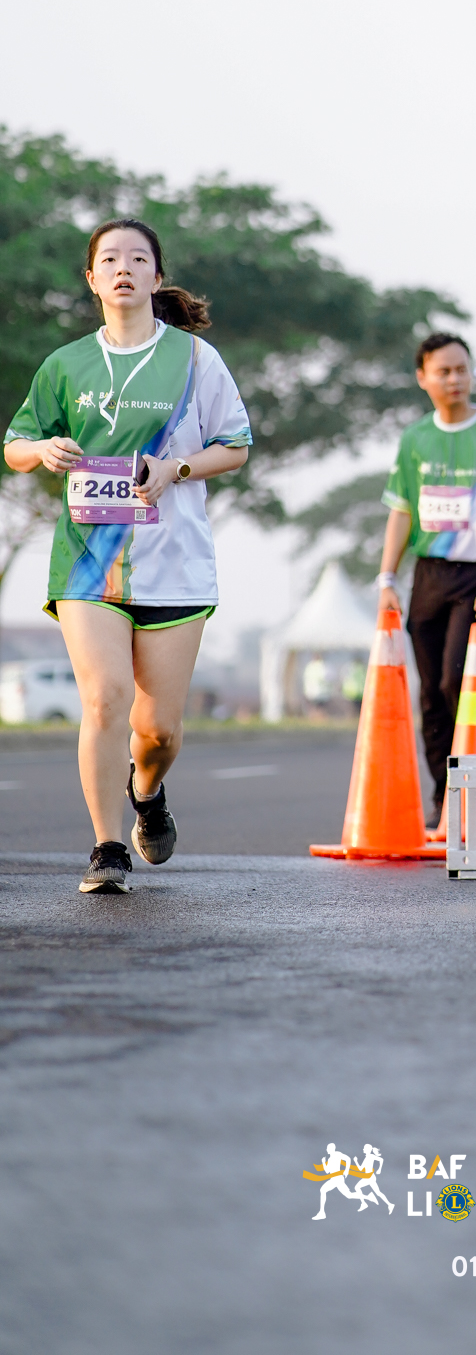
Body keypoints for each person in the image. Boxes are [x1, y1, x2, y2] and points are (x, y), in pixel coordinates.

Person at [3, 219, 252, 894]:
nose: (123, 268)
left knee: (158, 731)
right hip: (88, 563)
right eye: (109, 259)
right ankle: (107, 848)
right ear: (92, 279)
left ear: (155, 276)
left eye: (137, 258)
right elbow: (16, 445)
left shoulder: (196, 360)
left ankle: (147, 792)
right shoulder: (65, 365)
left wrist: (176, 469)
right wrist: (42, 450)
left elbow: (235, 445)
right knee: (106, 698)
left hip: (175, 564)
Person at [377, 333, 476, 829]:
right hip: (428, 577)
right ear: (423, 378)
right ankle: (443, 797)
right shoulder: (415, 438)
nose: (455, 379)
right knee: (431, 695)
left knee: (455, 681)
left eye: (462, 369)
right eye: (443, 371)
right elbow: (401, 510)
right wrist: (386, 577)